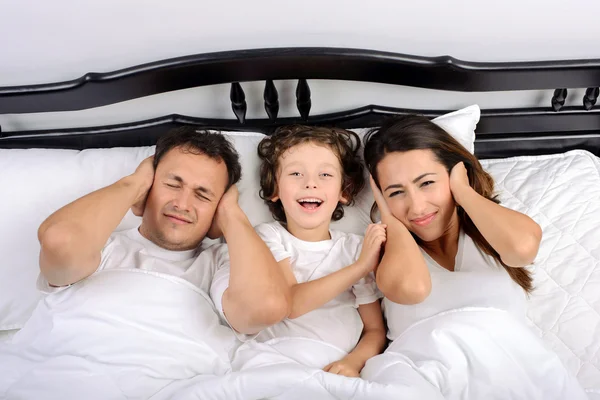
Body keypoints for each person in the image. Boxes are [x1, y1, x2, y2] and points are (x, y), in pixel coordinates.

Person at [0, 127, 290, 399]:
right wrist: (133, 183)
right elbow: (59, 242)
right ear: (145, 191)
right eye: (171, 184)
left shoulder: (219, 265)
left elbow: (265, 307)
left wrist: (232, 217)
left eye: (203, 195)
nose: (182, 204)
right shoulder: (101, 245)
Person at [361, 115, 588, 399]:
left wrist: (464, 192)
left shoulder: (491, 233)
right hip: (421, 379)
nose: (417, 206)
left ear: (456, 174)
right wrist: (391, 220)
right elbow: (412, 288)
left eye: (427, 182)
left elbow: (523, 249)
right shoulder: (383, 254)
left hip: (510, 373)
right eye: (396, 192)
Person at [211, 125, 387, 378]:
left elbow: (375, 330)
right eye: (295, 173)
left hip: (334, 364)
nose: (310, 184)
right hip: (274, 359)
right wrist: (359, 267)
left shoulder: (355, 248)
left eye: (325, 175)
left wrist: (353, 362)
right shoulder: (267, 237)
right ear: (275, 189)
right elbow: (290, 304)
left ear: (344, 192)